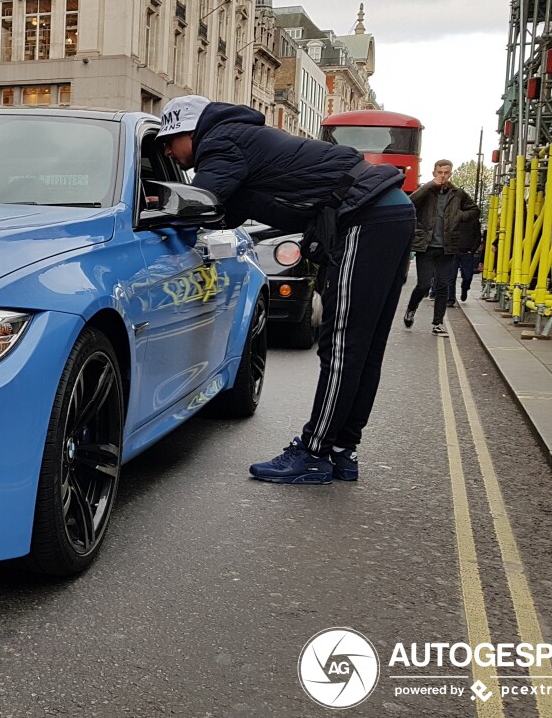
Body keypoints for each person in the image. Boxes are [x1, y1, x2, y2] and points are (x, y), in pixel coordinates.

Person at [157, 95, 414, 485]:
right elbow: (227, 212)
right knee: (364, 345)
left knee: (343, 345)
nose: (166, 151)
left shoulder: (221, 143)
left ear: (189, 133)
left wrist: (158, 207)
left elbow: (198, 204)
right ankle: (342, 450)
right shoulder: (240, 143)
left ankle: (314, 453)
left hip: (367, 216)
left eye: (169, 141)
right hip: (389, 213)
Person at [403, 160, 480, 335]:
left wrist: (460, 215)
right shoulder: (426, 191)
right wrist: (429, 185)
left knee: (443, 285)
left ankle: (438, 323)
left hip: (448, 246)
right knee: (423, 285)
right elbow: (410, 202)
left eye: (446, 172)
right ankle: (411, 309)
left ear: (450, 173)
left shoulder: (458, 194)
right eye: (439, 172)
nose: (443, 176)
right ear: (434, 173)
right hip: (426, 246)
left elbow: (475, 210)